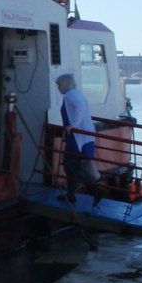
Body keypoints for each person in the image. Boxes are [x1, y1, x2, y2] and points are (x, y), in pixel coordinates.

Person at [54, 73, 103, 204]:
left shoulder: (70, 95)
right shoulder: (76, 93)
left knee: (71, 165)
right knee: (72, 165)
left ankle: (95, 190)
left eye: (59, 85)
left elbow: (80, 107)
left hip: (77, 137)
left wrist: (73, 125)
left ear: (64, 84)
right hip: (80, 135)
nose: (58, 88)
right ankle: (71, 194)